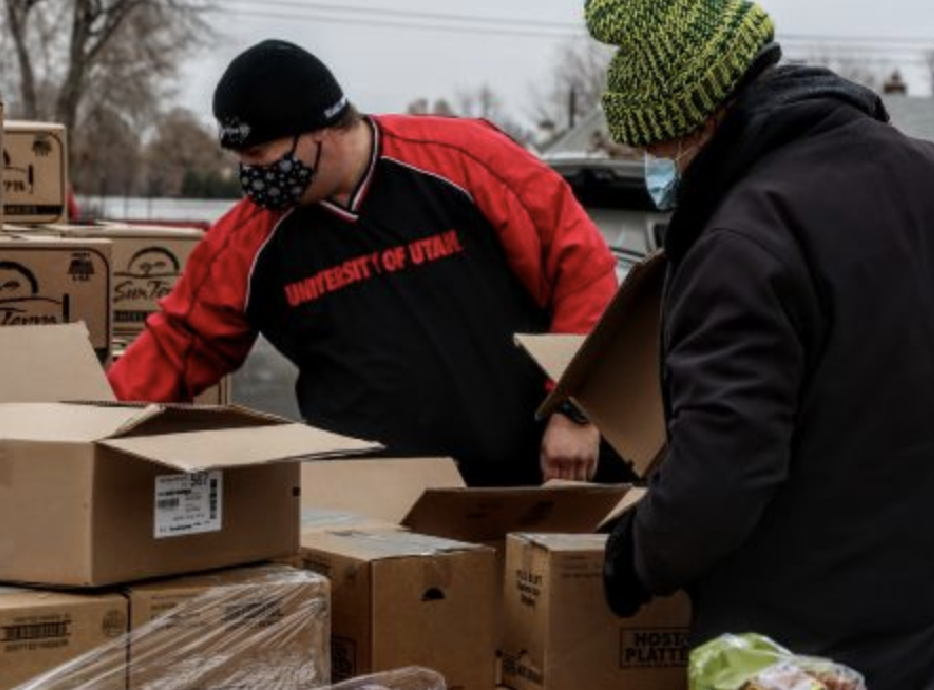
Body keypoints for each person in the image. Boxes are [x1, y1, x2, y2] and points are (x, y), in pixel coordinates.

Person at [587, 1, 934, 688]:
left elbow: (725, 474)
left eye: (655, 149)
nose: (659, 170)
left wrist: (633, 559)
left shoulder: (744, 239)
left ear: (697, 120)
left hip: (814, 653)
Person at [107, 39, 623, 486]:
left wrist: (574, 407)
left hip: (530, 479)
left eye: (261, 156)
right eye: (242, 162)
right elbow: (177, 345)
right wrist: (85, 429)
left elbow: (582, 269)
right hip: (372, 515)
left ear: (320, 130)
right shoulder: (248, 239)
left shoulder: (465, 158)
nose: (252, 176)